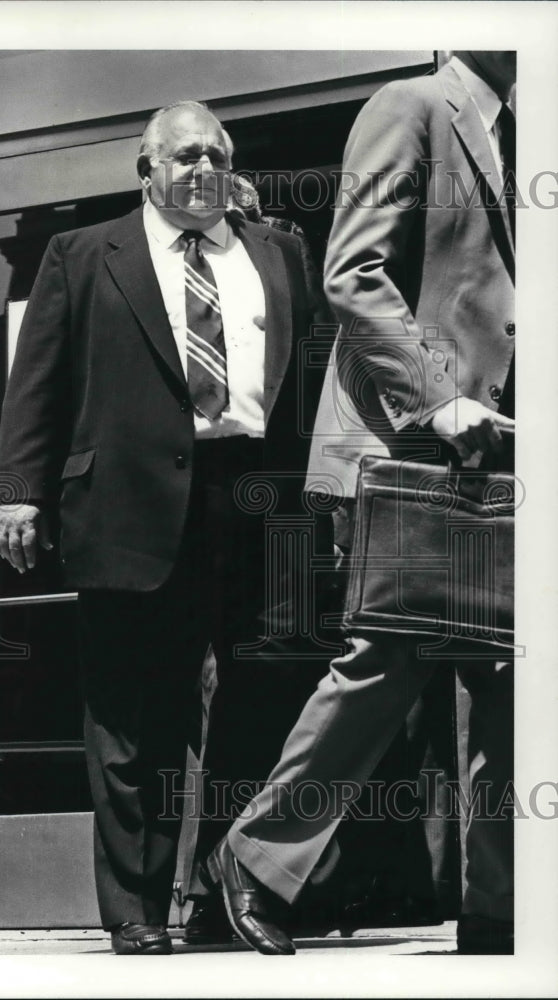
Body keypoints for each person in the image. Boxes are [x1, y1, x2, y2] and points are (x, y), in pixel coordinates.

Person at [0, 100, 327, 955]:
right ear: (146, 169)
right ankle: (138, 909)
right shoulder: (80, 254)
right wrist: (19, 490)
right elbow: (39, 384)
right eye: (184, 156)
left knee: (261, 704)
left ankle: (230, 894)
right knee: (135, 714)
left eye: (217, 153)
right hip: (128, 507)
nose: (203, 168)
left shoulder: (279, 251)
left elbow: (310, 388)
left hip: (257, 504)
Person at [203, 51, 516, 956]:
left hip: (505, 450)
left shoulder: (521, 135)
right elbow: (354, 274)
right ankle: (255, 860)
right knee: (390, 660)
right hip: (416, 441)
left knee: (511, 674)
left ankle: (501, 906)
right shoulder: (413, 105)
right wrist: (438, 395)